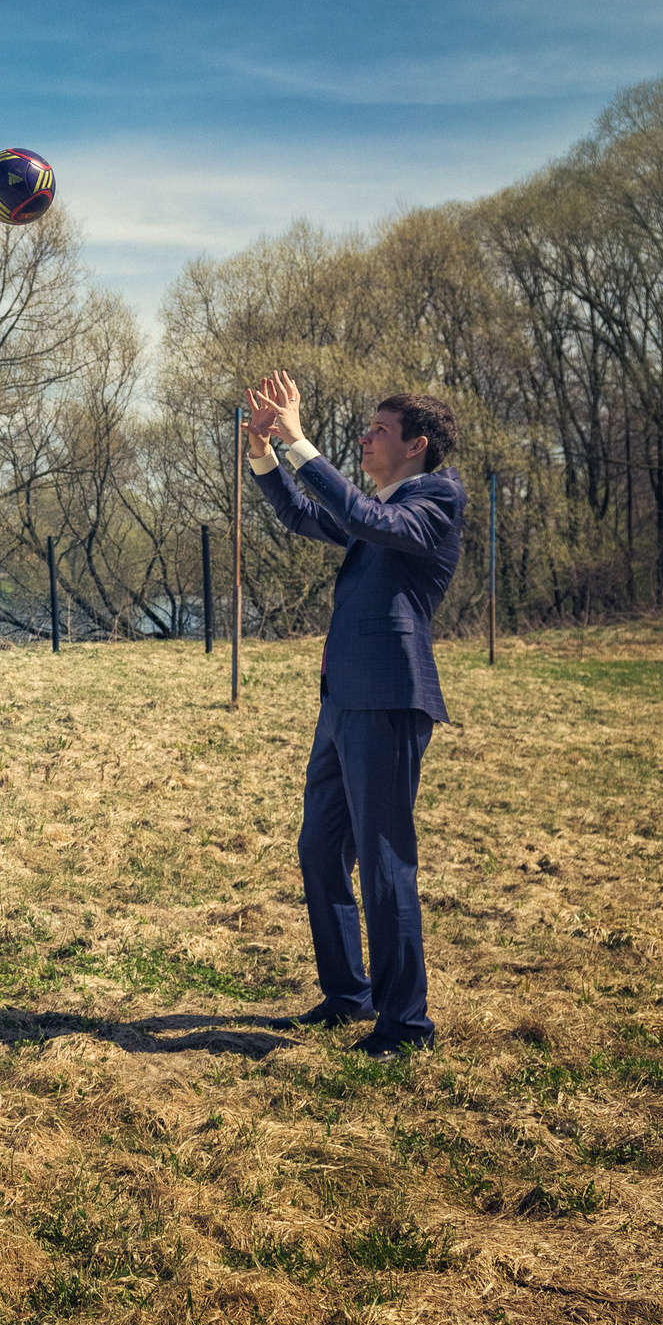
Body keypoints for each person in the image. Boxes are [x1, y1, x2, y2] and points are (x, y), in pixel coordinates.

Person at [242, 371, 463, 1056]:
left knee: (384, 859)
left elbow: (365, 517)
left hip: (390, 700)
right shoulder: (384, 507)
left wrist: (302, 439)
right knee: (318, 847)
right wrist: (265, 454)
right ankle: (349, 995)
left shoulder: (434, 501)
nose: (365, 438)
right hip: (341, 704)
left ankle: (406, 1024)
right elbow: (305, 515)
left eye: (378, 431)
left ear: (416, 444)